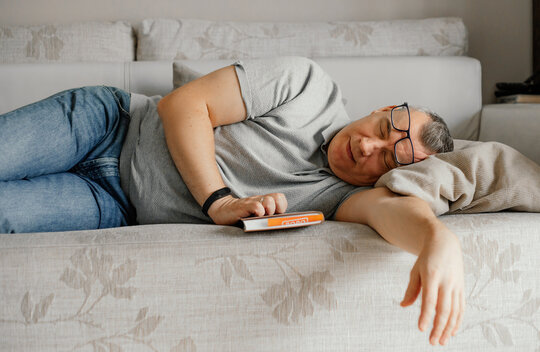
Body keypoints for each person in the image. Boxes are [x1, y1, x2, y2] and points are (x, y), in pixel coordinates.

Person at [0, 56, 464, 346]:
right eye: (382, 133)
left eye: (386, 162)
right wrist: (218, 201)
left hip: (114, 203)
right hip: (110, 124)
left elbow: (395, 211)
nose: (367, 150)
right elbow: (182, 105)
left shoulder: (343, 197)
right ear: (382, 110)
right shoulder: (306, 86)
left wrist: (438, 241)